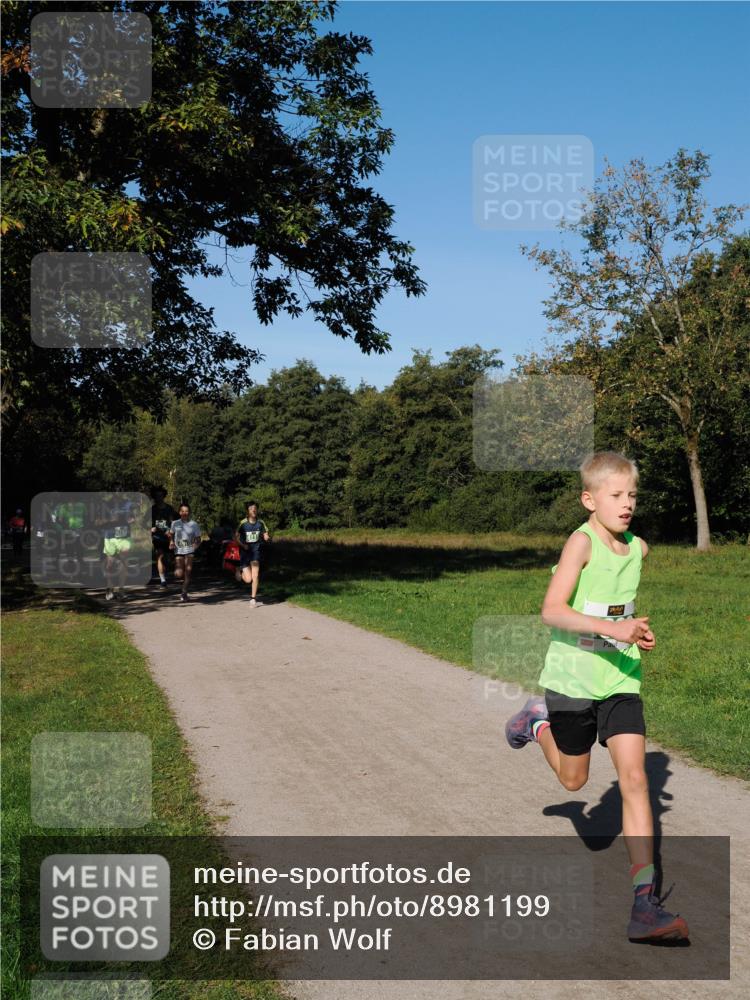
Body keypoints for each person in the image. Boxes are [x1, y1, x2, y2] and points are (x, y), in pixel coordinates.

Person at [504, 451, 689, 942]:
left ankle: (644, 905)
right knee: (574, 780)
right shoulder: (581, 543)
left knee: (635, 779)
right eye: (616, 495)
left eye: (633, 495)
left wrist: (634, 631)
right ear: (590, 500)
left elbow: (619, 608)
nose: (627, 504)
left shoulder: (638, 548)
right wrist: (614, 628)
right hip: (572, 682)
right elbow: (551, 610)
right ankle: (536, 722)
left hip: (620, 679)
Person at [97, 492, 136, 600]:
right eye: (115, 489)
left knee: (123, 561)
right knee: (110, 565)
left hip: (124, 537)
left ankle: (121, 590)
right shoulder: (106, 505)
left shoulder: (127, 503)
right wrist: (111, 520)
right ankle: (110, 588)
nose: (118, 492)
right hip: (110, 537)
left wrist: (129, 520)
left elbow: (133, 518)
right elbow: (98, 522)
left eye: (120, 489)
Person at [236, 501, 270, 607]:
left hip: (256, 551)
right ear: (247, 511)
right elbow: (236, 537)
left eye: (255, 508)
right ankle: (238, 570)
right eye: (251, 509)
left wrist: (266, 537)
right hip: (245, 552)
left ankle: (253, 598)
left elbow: (265, 533)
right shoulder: (243, 523)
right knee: (248, 579)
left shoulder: (260, 522)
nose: (253, 510)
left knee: (255, 575)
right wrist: (243, 545)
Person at [168, 502, 202, 603]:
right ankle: (181, 579)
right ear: (179, 512)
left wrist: (196, 546)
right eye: (182, 511)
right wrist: (171, 542)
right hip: (179, 550)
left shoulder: (194, 524)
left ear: (189, 512)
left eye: (186, 511)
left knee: (188, 571)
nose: (184, 513)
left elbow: (198, 539)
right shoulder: (175, 523)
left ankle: (184, 592)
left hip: (189, 550)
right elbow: (171, 534)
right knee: (179, 573)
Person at [150, 487, 177, 587]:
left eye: (160, 495)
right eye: (157, 496)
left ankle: (166, 569)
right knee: (160, 556)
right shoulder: (152, 509)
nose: (159, 498)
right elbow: (143, 522)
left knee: (168, 560)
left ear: (164, 496)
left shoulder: (169, 508)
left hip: (169, 537)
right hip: (157, 537)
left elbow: (175, 522)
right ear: (154, 497)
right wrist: (150, 529)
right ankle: (163, 580)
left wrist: (172, 532)